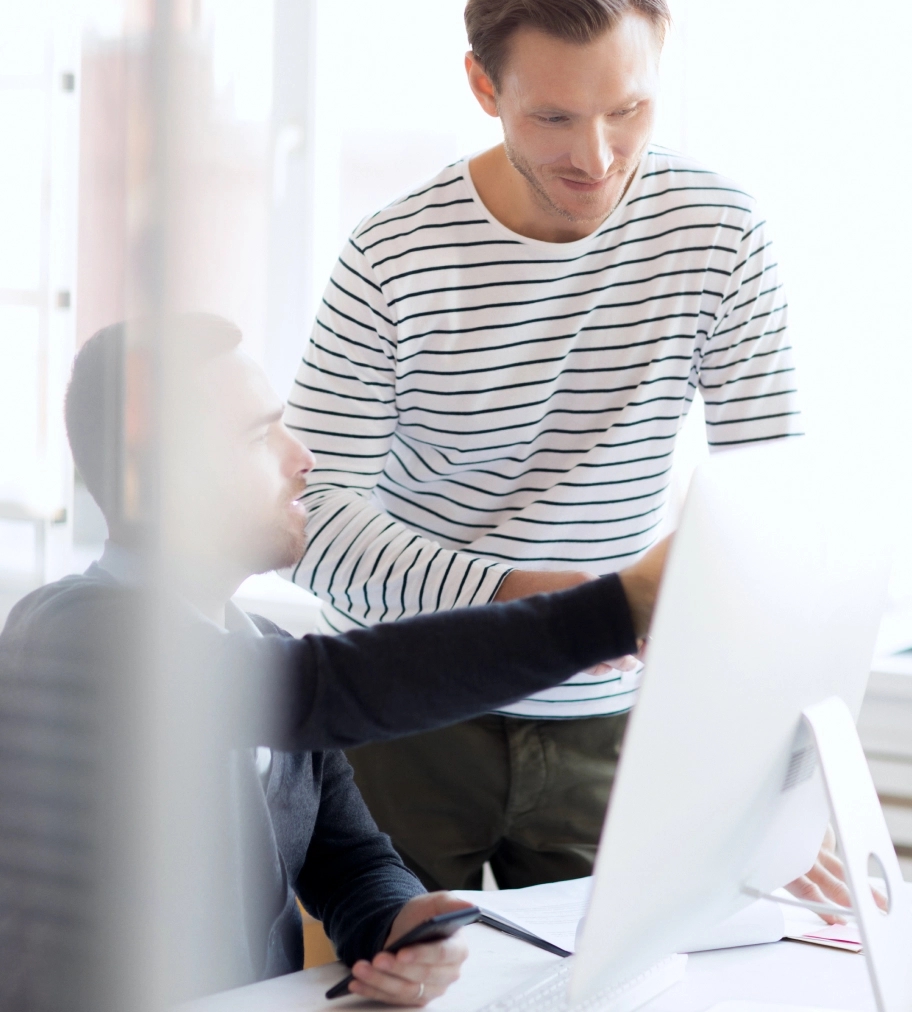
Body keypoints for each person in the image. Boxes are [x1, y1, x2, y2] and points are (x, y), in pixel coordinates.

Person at [285, 0, 804, 892]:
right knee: (389, 984)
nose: (597, 158)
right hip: (406, 703)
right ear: (486, 89)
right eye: (555, 117)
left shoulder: (718, 231)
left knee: (613, 986)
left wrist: (781, 760)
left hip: (614, 716)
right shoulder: (390, 257)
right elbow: (312, 520)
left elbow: (772, 486)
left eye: (630, 109)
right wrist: (523, 598)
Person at [0, 315, 665, 1009]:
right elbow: (320, 689)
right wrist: (613, 611)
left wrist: (399, 923)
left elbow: (350, 860)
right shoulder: (69, 632)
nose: (303, 458)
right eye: (261, 436)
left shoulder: (264, 648)